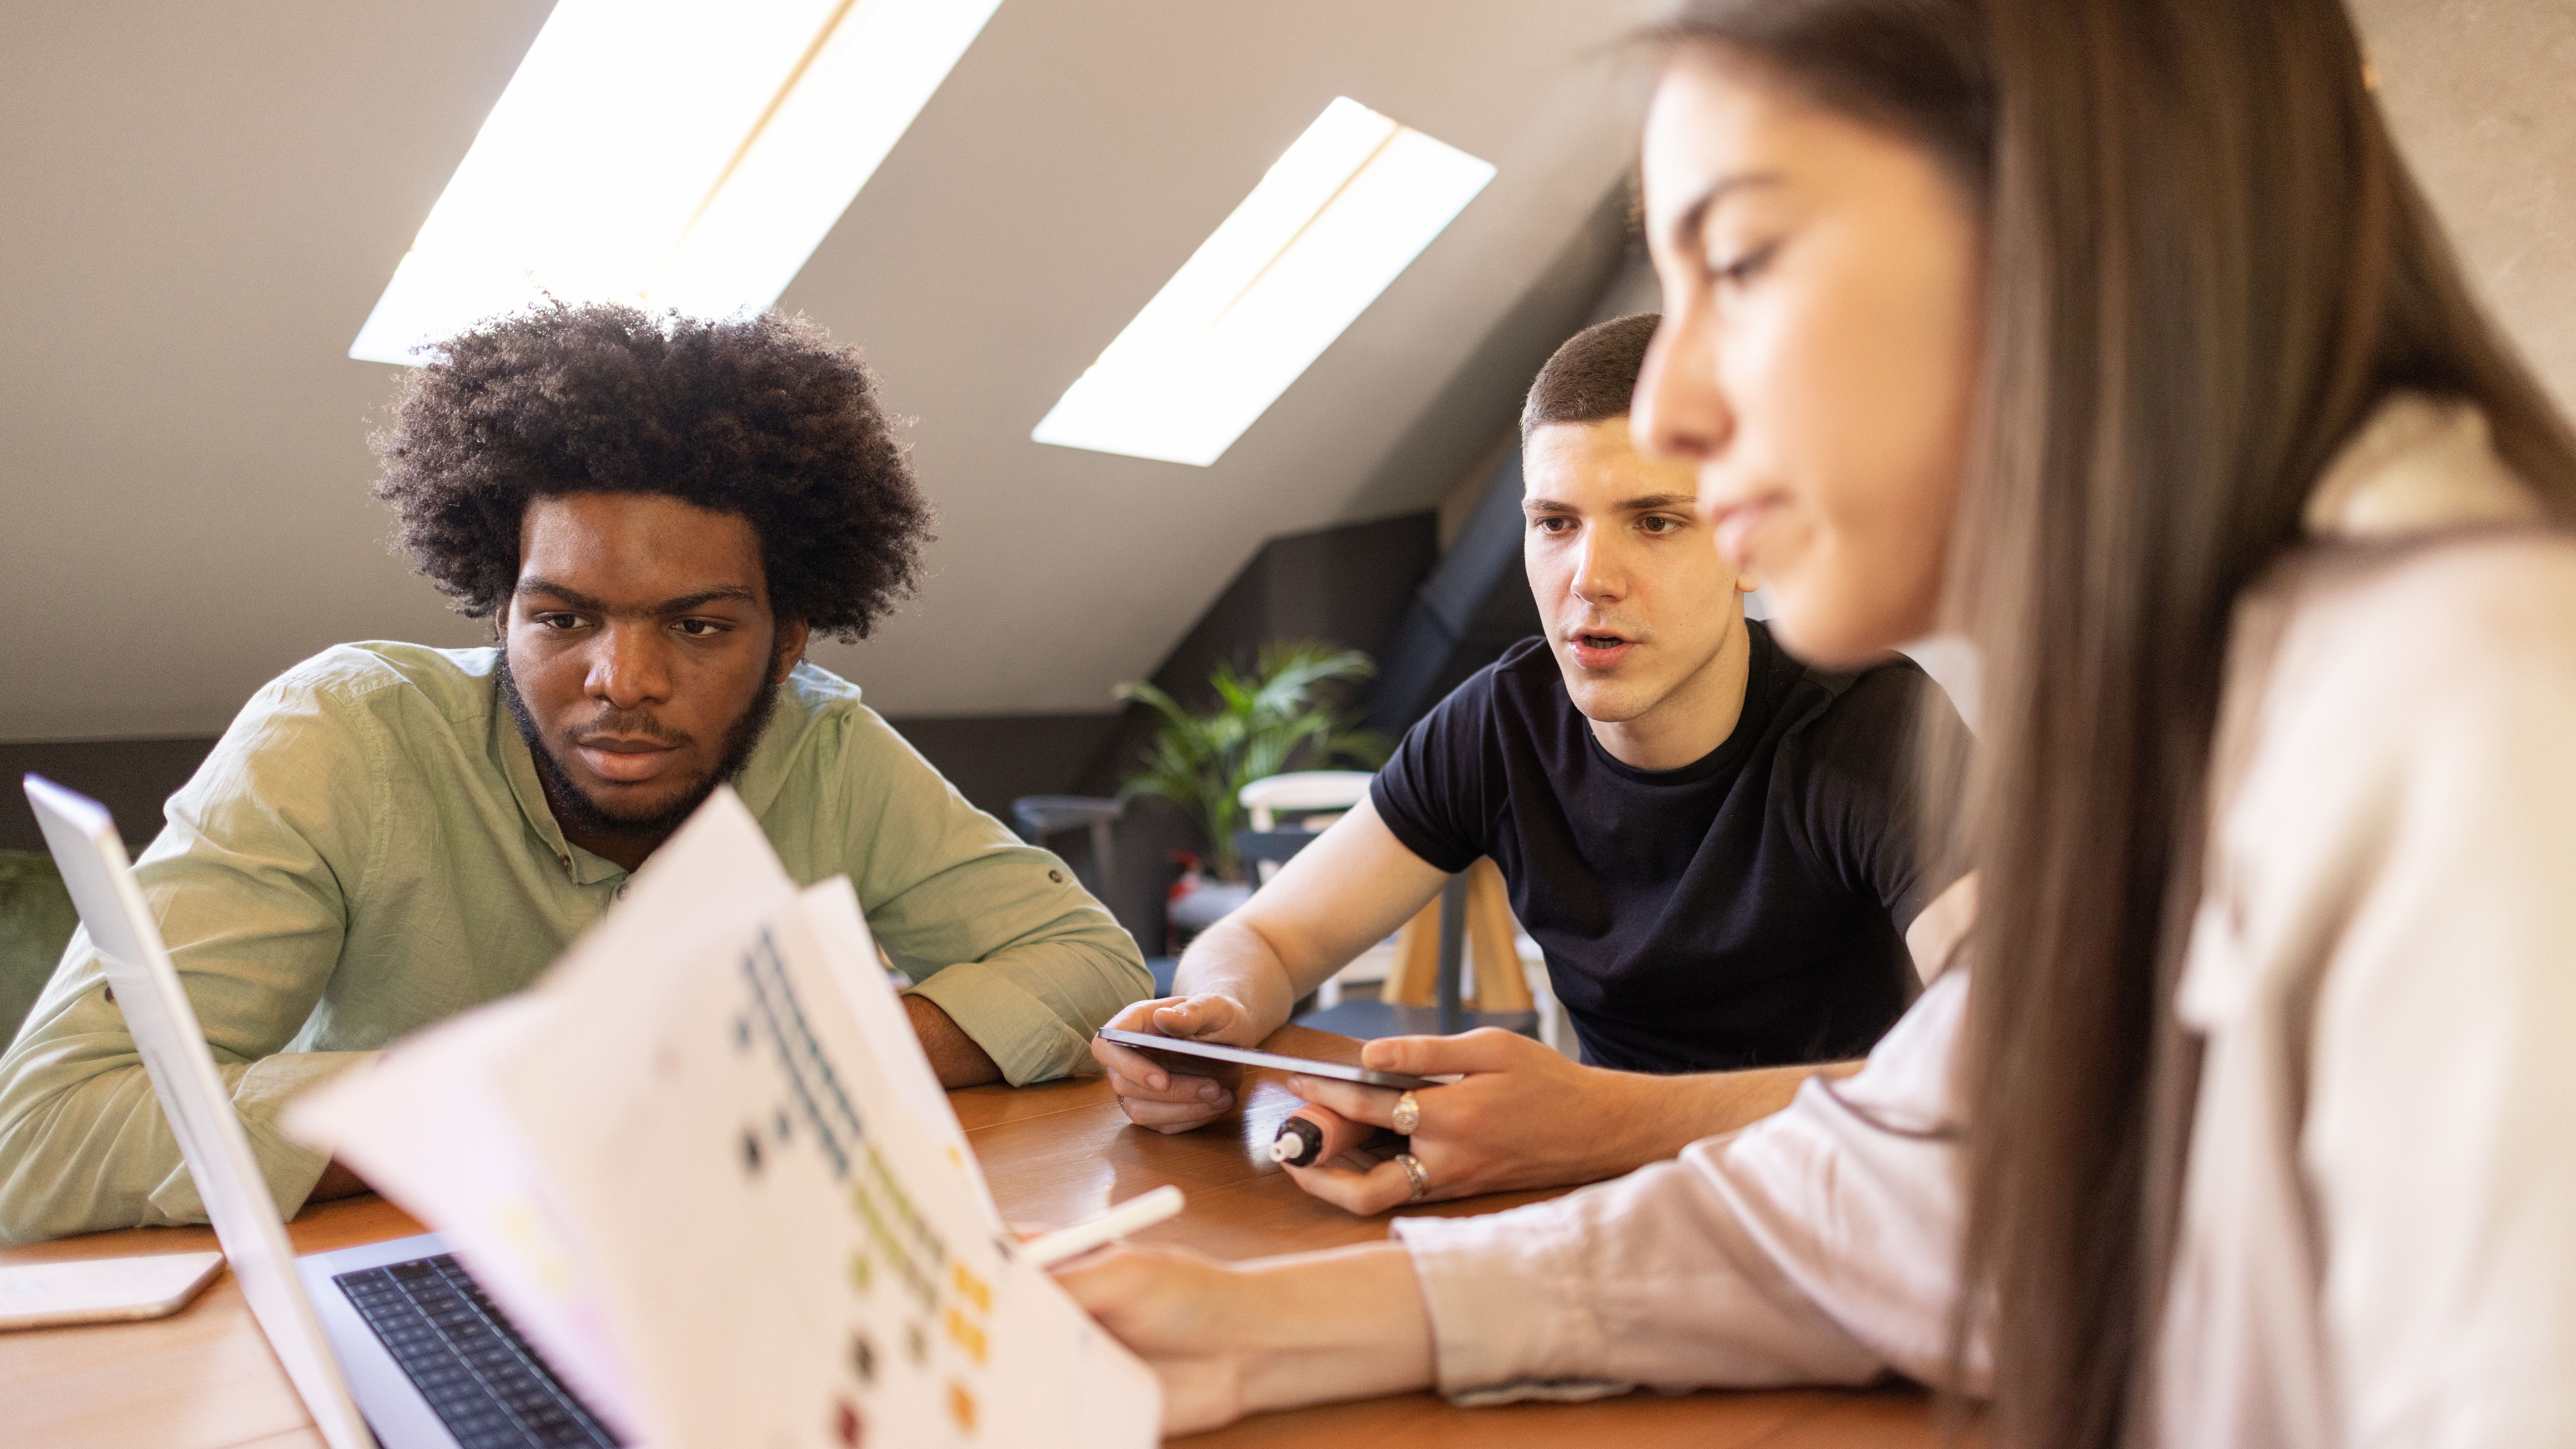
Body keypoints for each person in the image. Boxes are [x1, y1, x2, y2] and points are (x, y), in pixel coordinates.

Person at [1058, 0, 2576, 1443]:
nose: (1691, 411)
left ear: (2068, 212)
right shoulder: (2216, 705)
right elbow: (1881, 1196)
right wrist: (1241, 1325)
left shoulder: (2479, 714)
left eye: (1747, 261)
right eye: (1556, 520)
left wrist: (1588, 1126)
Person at [0, 305, 1151, 1245]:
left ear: (791, 636)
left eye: (698, 629)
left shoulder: (826, 746)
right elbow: (40, 1137)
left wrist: (766, 1060)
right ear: (500, 606)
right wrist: (513, 1094)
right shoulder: (341, 736)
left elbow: (1092, 961)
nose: (623, 681)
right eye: (561, 618)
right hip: (409, 1269)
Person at [1092, 313, 1971, 1215]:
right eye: (1556, 523)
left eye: (1656, 522)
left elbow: (2014, 1053)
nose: (1591, 576)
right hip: (1612, 1216)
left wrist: (1607, 1121)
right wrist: (1217, 1023)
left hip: (1864, 1215)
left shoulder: (1879, 728)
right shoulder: (1499, 724)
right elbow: (1264, 939)